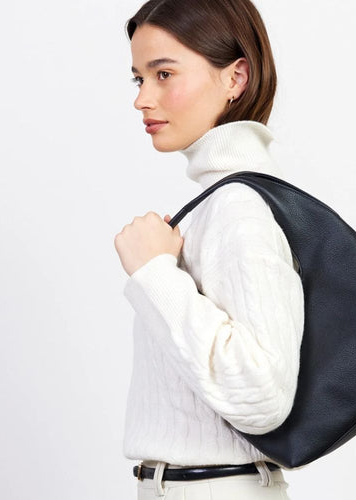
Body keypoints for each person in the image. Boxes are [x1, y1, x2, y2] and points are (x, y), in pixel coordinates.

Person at [114, 0, 305, 498]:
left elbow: (263, 394)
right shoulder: (219, 202)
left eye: (164, 74)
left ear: (235, 77)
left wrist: (155, 272)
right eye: (139, 79)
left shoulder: (237, 205)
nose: (142, 99)